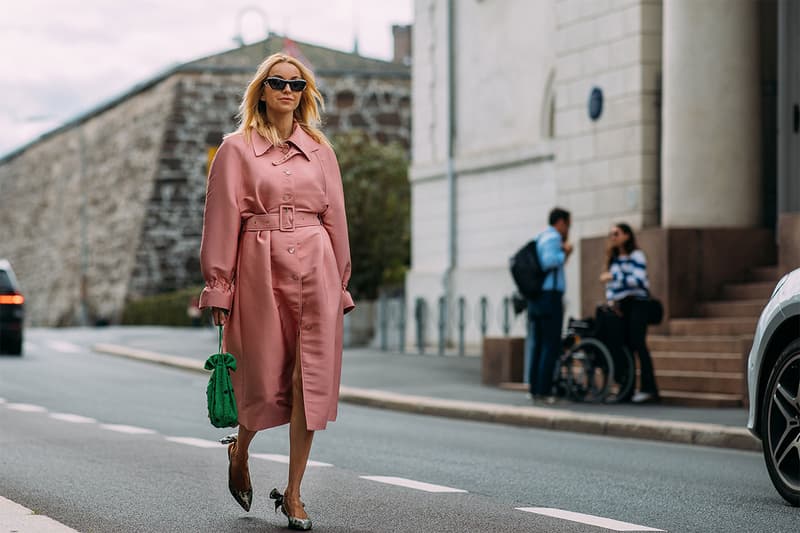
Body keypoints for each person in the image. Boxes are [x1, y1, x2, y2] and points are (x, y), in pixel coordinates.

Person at [199, 52, 355, 531]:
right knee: (263, 379)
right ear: (262, 91)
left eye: (296, 85)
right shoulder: (236, 149)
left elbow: (336, 222)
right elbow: (222, 220)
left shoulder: (322, 152)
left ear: (304, 94)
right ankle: (240, 450)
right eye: (278, 82)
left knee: (309, 381)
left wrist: (341, 283)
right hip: (259, 269)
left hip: (317, 267)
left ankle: (293, 493)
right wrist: (218, 289)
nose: (288, 91)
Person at [600, 223, 659, 404]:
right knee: (625, 345)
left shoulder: (637, 255)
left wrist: (615, 278)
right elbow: (610, 288)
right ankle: (627, 389)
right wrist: (611, 301)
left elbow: (639, 280)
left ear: (627, 235)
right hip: (621, 305)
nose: (613, 237)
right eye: (611, 234)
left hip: (638, 303)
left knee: (638, 343)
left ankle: (649, 389)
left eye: (616, 233)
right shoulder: (614, 259)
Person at [525, 207, 572, 403]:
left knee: (537, 343)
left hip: (536, 297)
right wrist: (565, 252)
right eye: (568, 224)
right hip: (549, 296)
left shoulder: (540, 236)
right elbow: (549, 261)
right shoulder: (553, 238)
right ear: (560, 222)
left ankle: (535, 388)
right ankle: (544, 390)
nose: (568, 229)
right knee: (550, 343)